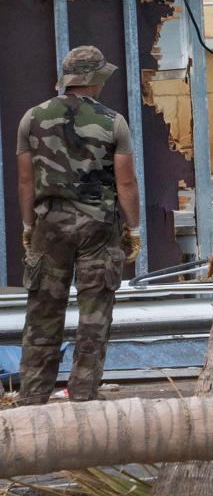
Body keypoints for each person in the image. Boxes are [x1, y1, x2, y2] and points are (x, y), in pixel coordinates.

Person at [15, 45, 141, 405]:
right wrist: (133, 229)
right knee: (94, 315)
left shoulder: (31, 118)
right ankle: (83, 396)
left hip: (48, 227)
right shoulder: (113, 122)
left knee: (43, 313)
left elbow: (26, 181)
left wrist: (28, 226)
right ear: (93, 78)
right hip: (98, 229)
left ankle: (32, 398)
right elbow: (126, 182)